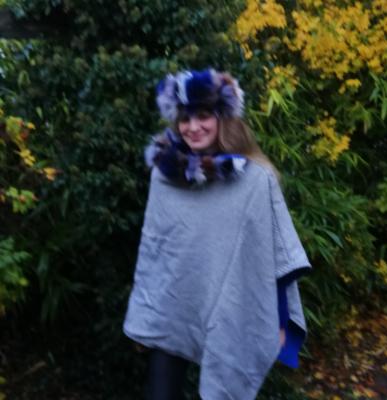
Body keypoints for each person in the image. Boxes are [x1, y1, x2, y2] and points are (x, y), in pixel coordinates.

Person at [123, 68, 311, 400]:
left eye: (203, 115)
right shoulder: (165, 177)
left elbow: (274, 256)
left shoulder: (255, 180)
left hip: (232, 311)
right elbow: (155, 252)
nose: (193, 127)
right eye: (185, 118)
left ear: (222, 117)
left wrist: (281, 321)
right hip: (174, 308)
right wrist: (148, 316)